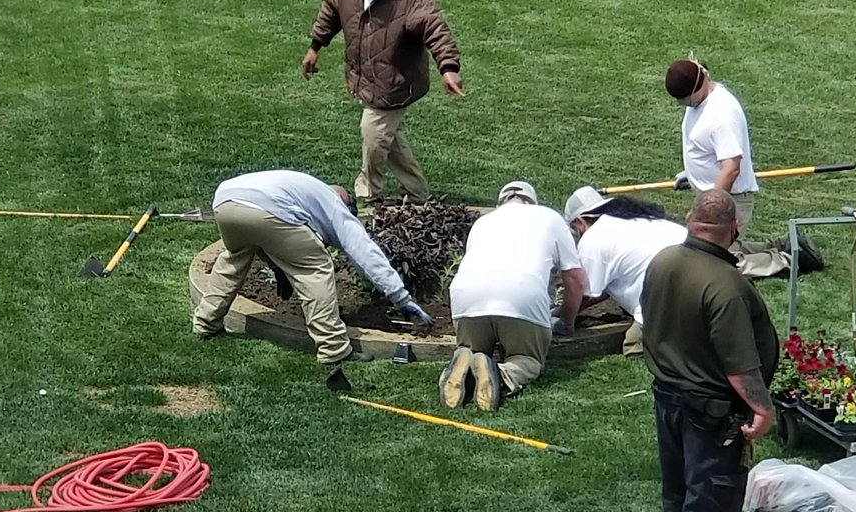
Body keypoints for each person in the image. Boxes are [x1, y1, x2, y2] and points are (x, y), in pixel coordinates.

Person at [640, 189, 779, 512]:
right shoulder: (726, 286)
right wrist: (762, 409)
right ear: (734, 228)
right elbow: (739, 365)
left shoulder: (663, 262)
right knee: (712, 495)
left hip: (669, 396)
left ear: (689, 218)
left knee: (681, 491)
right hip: (712, 409)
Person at [193, 170, 434, 364]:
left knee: (234, 260)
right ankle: (333, 349)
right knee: (315, 269)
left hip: (226, 200)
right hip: (268, 208)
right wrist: (401, 297)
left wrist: (280, 268)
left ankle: (205, 322)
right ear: (344, 201)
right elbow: (363, 251)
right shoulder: (332, 203)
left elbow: (268, 240)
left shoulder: (304, 188)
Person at [303, 0, 463, 205]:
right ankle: (417, 193)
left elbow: (436, 29)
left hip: (396, 82)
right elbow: (331, 10)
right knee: (389, 138)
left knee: (373, 132)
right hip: (366, 78)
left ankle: (368, 193)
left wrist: (449, 68)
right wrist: (315, 47)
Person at [664, 58, 823, 278]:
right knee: (716, 250)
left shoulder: (722, 115)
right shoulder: (701, 100)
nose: (684, 105)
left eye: (685, 100)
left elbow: (731, 168)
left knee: (715, 265)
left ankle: (790, 258)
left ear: (697, 86)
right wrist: (691, 174)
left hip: (730, 199)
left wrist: (707, 207)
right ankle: (782, 244)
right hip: (716, 194)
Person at [439, 182, 586, 411]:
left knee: (476, 350)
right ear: (532, 202)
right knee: (528, 360)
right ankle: (502, 374)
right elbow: (575, 280)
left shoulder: (482, 222)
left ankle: (465, 359)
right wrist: (566, 320)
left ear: (501, 203)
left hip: (466, 299)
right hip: (521, 299)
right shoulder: (550, 217)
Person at [562, 187, 687, 358]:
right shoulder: (635, 220)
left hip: (672, 298)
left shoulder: (592, 239)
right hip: (703, 281)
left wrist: (559, 316)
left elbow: (583, 294)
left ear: (580, 222)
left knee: (634, 347)